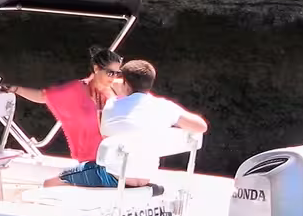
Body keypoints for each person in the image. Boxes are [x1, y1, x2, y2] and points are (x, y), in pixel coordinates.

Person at [48, 59, 207, 188]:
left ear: (124, 82)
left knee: (50, 182)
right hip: (144, 179)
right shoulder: (164, 107)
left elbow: (104, 135)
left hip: (113, 177)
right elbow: (201, 126)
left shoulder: (112, 106)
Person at [6, 45, 122, 166]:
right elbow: (43, 96)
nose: (114, 77)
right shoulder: (76, 90)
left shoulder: (116, 89)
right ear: (97, 68)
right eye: (110, 73)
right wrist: (16, 89)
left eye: (117, 73)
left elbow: (138, 82)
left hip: (114, 159)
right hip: (90, 161)